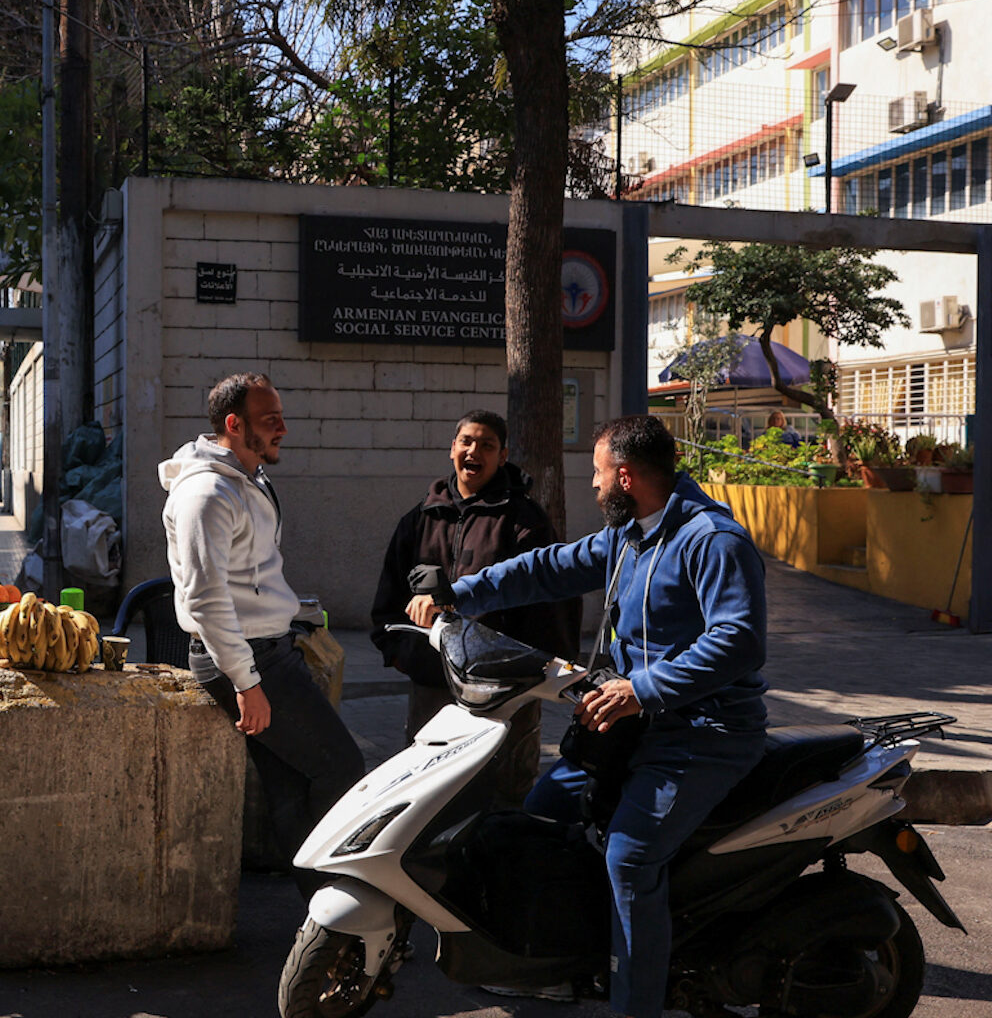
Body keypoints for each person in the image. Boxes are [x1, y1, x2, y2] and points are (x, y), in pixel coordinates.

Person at [407, 414, 768, 1018]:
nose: (595, 487)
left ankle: (635, 1005)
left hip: (704, 733)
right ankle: (558, 963)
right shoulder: (629, 535)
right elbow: (546, 568)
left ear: (625, 476)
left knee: (629, 856)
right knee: (543, 813)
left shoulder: (711, 540)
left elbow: (739, 640)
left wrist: (642, 688)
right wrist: (457, 595)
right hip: (631, 725)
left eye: (599, 475)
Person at [160, 372, 365, 895]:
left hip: (267, 652)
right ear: (234, 424)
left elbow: (249, 573)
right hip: (247, 660)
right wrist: (246, 683)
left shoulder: (246, 477)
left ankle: (325, 914)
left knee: (292, 785)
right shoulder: (206, 493)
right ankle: (338, 905)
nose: (283, 429)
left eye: (280, 417)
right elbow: (204, 599)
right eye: (270, 420)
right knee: (342, 766)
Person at [370, 410, 580, 808]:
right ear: (453, 449)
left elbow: (552, 604)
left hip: (503, 693)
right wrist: (401, 655)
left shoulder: (525, 521)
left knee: (501, 792)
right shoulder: (419, 519)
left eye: (486, 445)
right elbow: (389, 596)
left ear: (502, 457)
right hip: (432, 685)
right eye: (466, 441)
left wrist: (533, 673)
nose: (474, 451)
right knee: (425, 791)